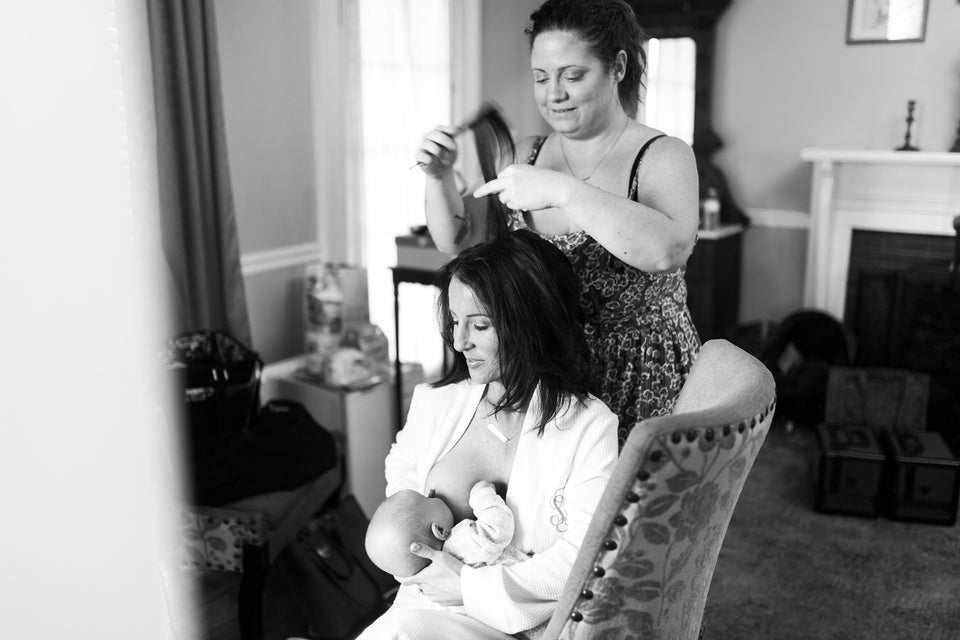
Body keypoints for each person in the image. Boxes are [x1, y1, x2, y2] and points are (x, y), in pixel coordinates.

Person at [416, 0, 701, 448]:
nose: (554, 94)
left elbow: (666, 251)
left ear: (617, 68)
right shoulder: (524, 154)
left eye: (572, 75)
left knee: (623, 514)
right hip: (550, 373)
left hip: (640, 378)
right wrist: (438, 178)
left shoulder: (664, 156)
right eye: (541, 77)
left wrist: (562, 190)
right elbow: (457, 237)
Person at [356, 230, 618, 639]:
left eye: (478, 325)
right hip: (427, 608)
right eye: (455, 322)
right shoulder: (435, 403)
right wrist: (419, 551)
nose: (459, 342)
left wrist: (468, 585)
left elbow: (586, 559)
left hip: (521, 625)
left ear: (529, 324)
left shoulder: (589, 426)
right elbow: (402, 475)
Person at [365, 481, 528, 579]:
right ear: (440, 531)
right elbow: (497, 529)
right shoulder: (460, 544)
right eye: (427, 499)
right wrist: (482, 494)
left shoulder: (433, 582)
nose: (431, 493)